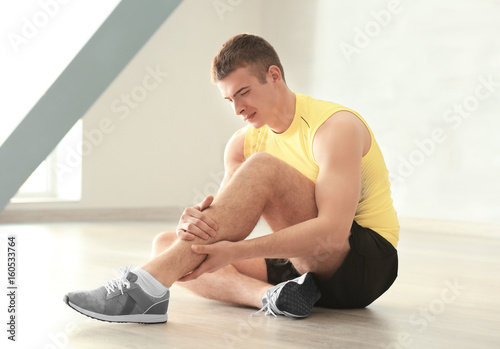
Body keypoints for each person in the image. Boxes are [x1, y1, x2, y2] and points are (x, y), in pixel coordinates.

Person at [64, 33, 399, 324]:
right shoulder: (242, 143)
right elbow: (222, 224)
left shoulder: (333, 127)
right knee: (166, 245)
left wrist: (234, 253)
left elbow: (332, 232)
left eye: (244, 92)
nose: (238, 108)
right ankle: (272, 298)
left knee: (263, 166)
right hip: (301, 272)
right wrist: (194, 225)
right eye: (230, 100)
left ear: (274, 75)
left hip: (361, 265)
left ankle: (143, 288)